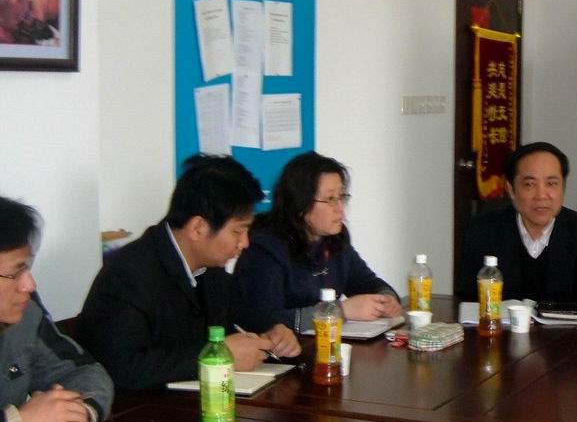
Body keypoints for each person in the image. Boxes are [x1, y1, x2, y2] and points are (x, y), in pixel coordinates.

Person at [76, 155, 301, 390]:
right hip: (140, 407)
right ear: (198, 227)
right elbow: (118, 369)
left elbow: (238, 317)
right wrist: (215, 356)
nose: (245, 243)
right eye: (237, 232)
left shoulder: (211, 270)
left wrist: (271, 331)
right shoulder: (128, 275)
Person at [233, 151, 400, 332]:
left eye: (342, 197)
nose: (340, 208)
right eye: (330, 199)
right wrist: (339, 311)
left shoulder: (335, 239)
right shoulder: (264, 250)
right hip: (283, 349)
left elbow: (367, 282)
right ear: (300, 205)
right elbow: (264, 320)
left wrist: (386, 298)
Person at [0, 196, 112, 422]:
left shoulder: (25, 314)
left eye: (28, 269)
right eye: (15, 272)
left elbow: (81, 370)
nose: (29, 285)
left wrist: (76, 415)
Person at [455, 141, 577, 308]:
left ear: (563, 188)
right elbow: (468, 301)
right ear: (511, 189)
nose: (541, 195)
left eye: (551, 184)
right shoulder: (481, 231)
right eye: (529, 184)